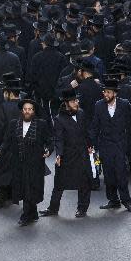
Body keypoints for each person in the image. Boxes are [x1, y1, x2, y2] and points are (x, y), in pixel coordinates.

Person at [89, 80, 131, 212]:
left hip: (119, 144)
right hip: (105, 144)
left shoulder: (124, 104)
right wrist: (91, 144)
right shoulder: (99, 105)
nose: (105, 94)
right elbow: (95, 126)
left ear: (115, 93)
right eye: (104, 92)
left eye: (108, 92)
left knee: (121, 174)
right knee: (108, 174)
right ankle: (113, 200)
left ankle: (127, 202)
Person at [0, 97, 51, 226]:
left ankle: (26, 215)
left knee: (31, 189)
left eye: (30, 109)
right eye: (25, 109)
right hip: (19, 163)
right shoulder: (14, 124)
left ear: (34, 111)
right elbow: (7, 142)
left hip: (35, 163)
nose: (27, 111)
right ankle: (32, 212)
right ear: (22, 111)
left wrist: (49, 150)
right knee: (24, 188)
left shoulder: (41, 124)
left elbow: (49, 141)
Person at [41, 88, 92, 218]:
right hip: (67, 155)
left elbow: (86, 132)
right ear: (66, 103)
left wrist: (90, 145)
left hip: (82, 154)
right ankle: (53, 209)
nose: (77, 102)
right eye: (74, 101)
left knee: (84, 182)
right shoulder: (59, 119)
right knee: (59, 183)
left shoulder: (81, 113)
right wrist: (58, 154)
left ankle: (82, 209)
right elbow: (59, 138)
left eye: (77, 100)